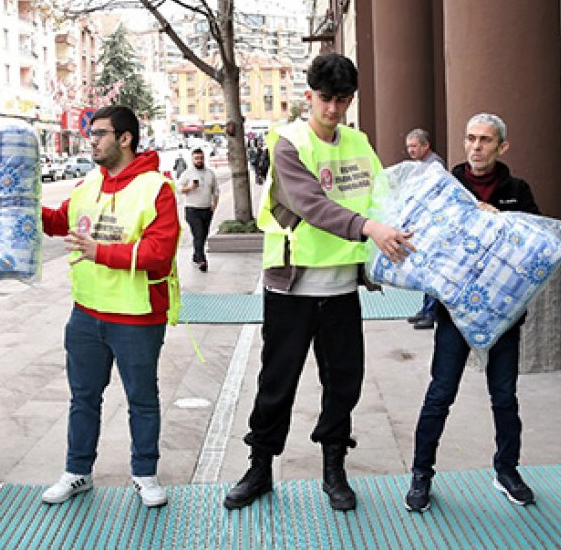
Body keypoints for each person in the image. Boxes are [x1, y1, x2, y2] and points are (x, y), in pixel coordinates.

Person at [223, 53, 414, 512]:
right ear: (308, 95)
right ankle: (260, 467)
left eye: (342, 99)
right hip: (292, 289)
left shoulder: (358, 141)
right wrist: (370, 229)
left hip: (342, 289)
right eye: (325, 98)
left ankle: (334, 468)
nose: (333, 108)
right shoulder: (287, 142)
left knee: (344, 383)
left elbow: (381, 196)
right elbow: (312, 204)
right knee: (277, 382)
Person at [38, 105, 181, 509]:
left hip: (136, 316)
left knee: (142, 399)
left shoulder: (157, 188)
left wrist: (100, 252)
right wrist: (22, 207)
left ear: (125, 138)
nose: (92, 141)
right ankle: (77, 471)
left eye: (99, 133)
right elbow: (59, 221)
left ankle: (145, 474)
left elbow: (159, 252)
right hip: (86, 313)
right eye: (91, 134)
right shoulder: (87, 184)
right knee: (83, 397)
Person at [404, 114, 539, 512]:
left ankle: (507, 471)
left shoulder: (518, 190)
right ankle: (420, 474)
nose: (476, 146)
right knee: (440, 394)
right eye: (471, 138)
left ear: (502, 147)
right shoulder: (446, 187)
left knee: (505, 397)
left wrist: (504, 222)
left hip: (503, 312)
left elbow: (534, 244)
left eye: (485, 140)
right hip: (454, 311)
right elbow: (422, 237)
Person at [402, 128, 446, 331]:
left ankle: (431, 312)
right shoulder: (422, 165)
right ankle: (426, 310)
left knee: (432, 270)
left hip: (435, 225)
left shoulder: (434, 166)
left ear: (425, 146)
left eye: (414, 146)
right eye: (408, 146)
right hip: (424, 223)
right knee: (425, 269)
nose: (410, 150)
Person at [179, 148, 220, 272]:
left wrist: (214, 205)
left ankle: (196, 255)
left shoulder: (210, 173)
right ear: (192, 159)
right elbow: (179, 189)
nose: (199, 160)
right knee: (198, 234)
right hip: (192, 209)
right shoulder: (187, 173)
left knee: (203, 235)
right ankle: (202, 260)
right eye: (196, 158)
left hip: (206, 209)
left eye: (201, 158)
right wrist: (190, 187)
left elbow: (216, 191)